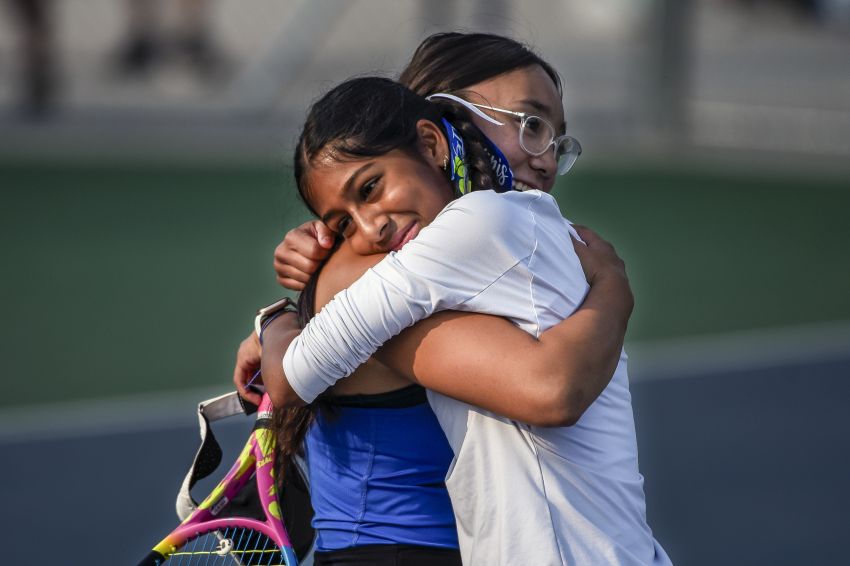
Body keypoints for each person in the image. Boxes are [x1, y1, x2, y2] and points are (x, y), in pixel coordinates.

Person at [247, 76, 670, 565]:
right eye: (524, 123)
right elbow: (553, 390)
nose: (544, 155)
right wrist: (614, 287)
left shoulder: (471, 252)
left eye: (553, 134)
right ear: (438, 137)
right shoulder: (393, 259)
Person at [272, 31, 579, 291]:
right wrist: (609, 290)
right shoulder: (371, 266)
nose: (548, 165)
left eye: (556, 146)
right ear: (432, 140)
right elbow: (551, 365)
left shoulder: (553, 248)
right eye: (531, 124)